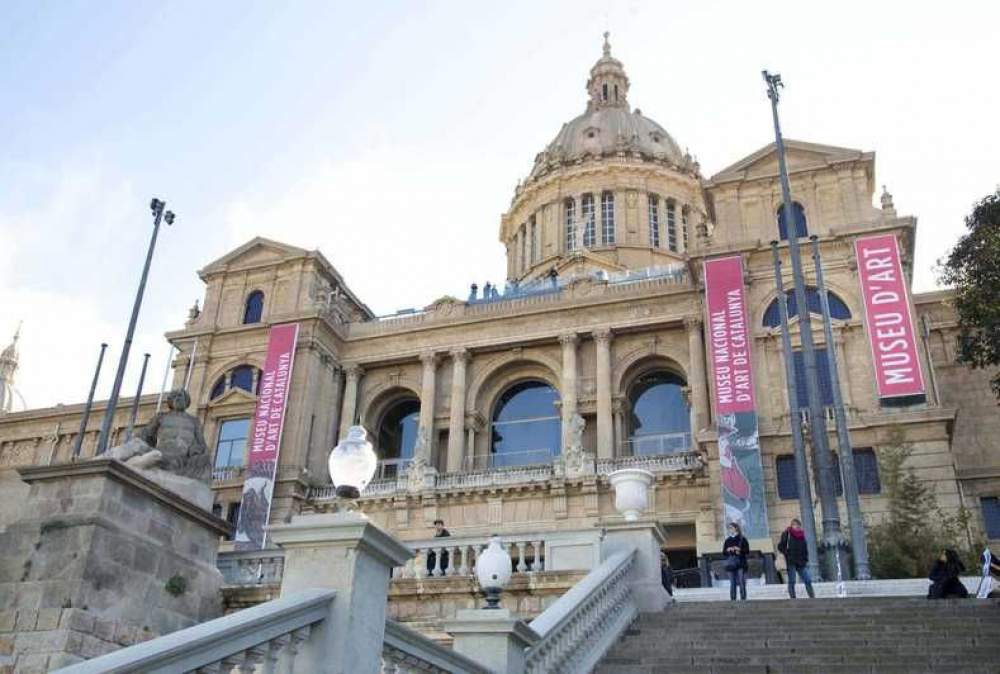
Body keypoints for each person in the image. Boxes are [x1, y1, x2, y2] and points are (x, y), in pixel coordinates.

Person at [777, 518, 815, 599]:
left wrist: (805, 559)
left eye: (798, 525)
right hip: (791, 561)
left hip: (801, 562)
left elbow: (805, 548)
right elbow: (780, 546)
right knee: (792, 581)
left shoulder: (801, 535)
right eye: (794, 525)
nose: (796, 527)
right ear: (792, 525)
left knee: (807, 579)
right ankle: (793, 598)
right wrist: (787, 554)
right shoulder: (787, 534)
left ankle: (812, 597)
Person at [723, 522, 750, 601]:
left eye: (731, 528)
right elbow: (724, 552)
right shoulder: (727, 540)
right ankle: (733, 599)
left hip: (740, 563)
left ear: (736, 528)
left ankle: (743, 598)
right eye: (729, 528)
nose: (729, 530)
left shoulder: (742, 539)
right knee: (732, 583)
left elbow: (747, 551)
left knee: (741, 582)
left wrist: (739, 550)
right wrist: (728, 550)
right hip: (730, 564)